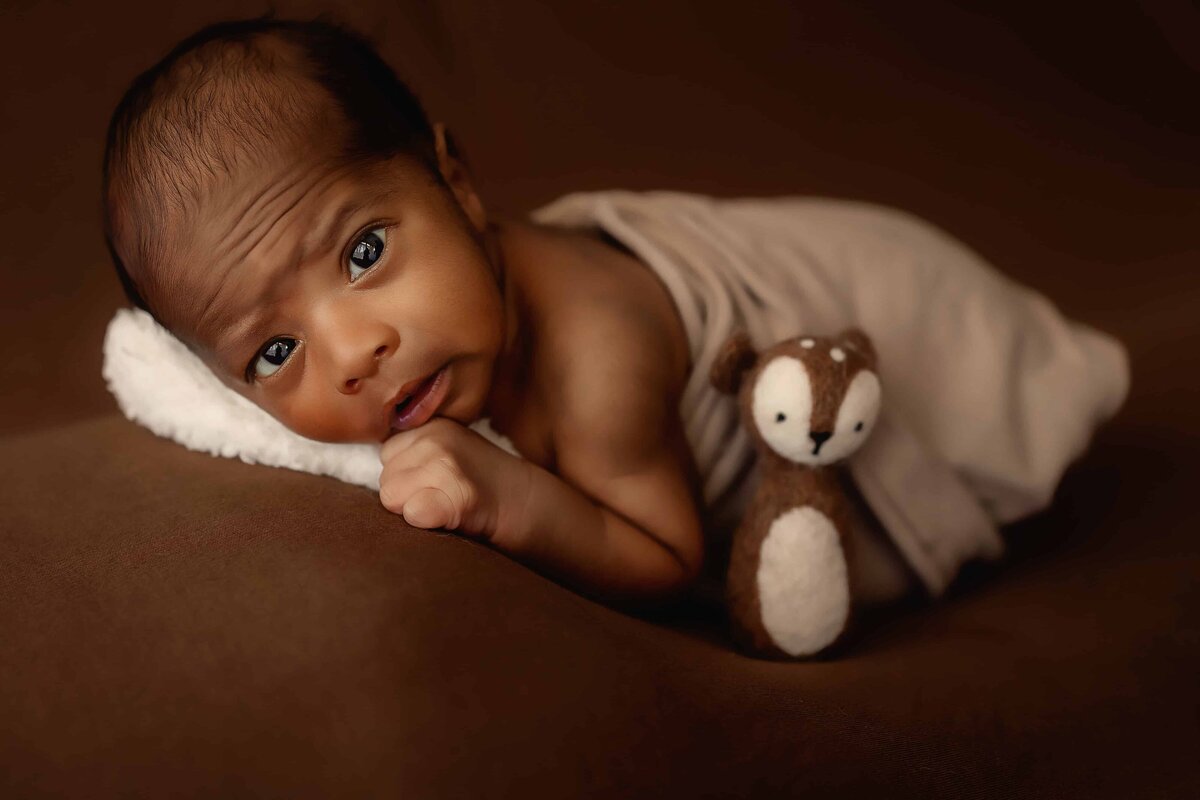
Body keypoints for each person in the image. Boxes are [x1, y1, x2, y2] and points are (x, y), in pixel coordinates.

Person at [101, 16, 1129, 614]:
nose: (353, 352)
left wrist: (508, 496)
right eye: (272, 352)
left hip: (927, 336)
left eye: (365, 253)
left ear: (457, 185)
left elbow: (666, 553)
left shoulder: (599, 351)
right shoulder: (432, 337)